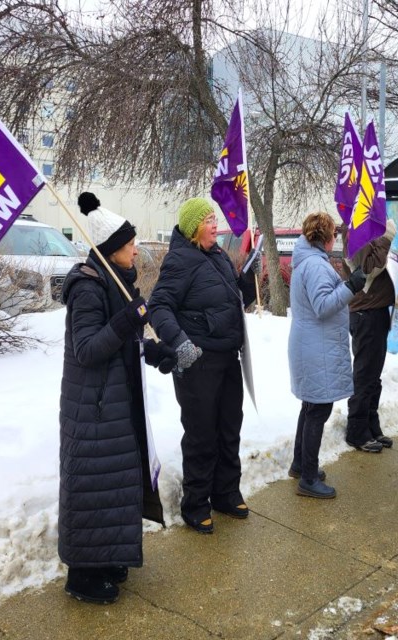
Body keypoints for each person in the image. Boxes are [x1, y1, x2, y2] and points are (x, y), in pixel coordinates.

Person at [58, 192, 166, 604]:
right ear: (110, 249)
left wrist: (157, 353)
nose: (136, 249)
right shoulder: (87, 287)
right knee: (92, 488)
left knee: (116, 485)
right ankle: (82, 576)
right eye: (130, 244)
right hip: (93, 408)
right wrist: (128, 319)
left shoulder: (116, 281)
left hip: (116, 403)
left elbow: (127, 340)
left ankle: (107, 559)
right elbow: (87, 349)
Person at [147, 197, 257, 534]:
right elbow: (159, 307)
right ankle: (195, 503)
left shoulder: (219, 257)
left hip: (228, 358)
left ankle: (225, 492)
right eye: (209, 220)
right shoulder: (180, 259)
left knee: (229, 428)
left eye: (215, 219)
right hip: (198, 361)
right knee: (201, 434)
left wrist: (250, 276)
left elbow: (236, 299)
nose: (215, 225)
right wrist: (180, 343)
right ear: (194, 226)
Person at [287, 212, 367, 498]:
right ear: (327, 236)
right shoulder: (315, 265)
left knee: (310, 407)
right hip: (316, 347)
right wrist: (350, 287)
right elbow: (322, 306)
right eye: (335, 232)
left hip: (312, 345)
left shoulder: (307, 260)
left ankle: (300, 464)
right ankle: (308, 477)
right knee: (318, 410)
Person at [342, 218, 398, 453]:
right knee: (365, 375)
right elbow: (369, 269)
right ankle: (356, 431)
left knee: (374, 375)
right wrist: (385, 239)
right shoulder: (356, 229)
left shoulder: (367, 227)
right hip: (366, 313)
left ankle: (370, 424)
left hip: (377, 310)